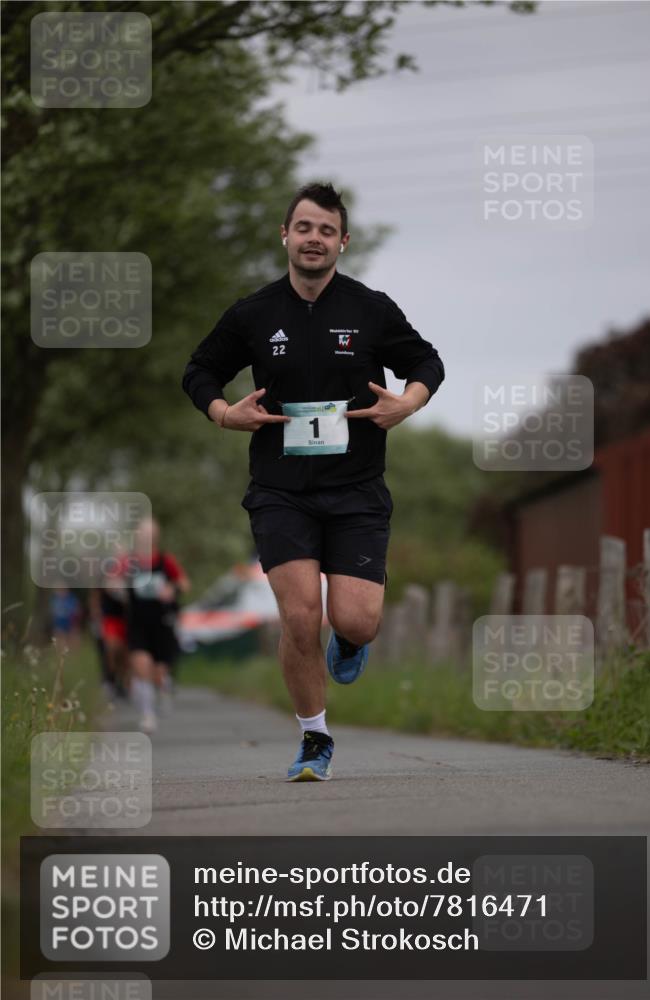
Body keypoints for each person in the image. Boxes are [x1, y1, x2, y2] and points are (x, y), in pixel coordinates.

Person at [182, 182, 444, 780]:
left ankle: (351, 642)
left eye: (327, 230)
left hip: (356, 489)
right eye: (304, 228)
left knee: (355, 620)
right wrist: (224, 414)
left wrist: (408, 402)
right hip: (279, 490)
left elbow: (427, 360)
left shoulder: (370, 308)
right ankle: (315, 738)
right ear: (285, 235)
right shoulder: (253, 314)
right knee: (300, 617)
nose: (314, 239)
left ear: (342, 242)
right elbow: (199, 370)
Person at [112, 518, 191, 733]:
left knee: (158, 671)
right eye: (142, 534)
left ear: (156, 537)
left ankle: (163, 689)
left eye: (150, 534)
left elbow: (184, 583)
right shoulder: (128, 561)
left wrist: (171, 589)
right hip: (137, 622)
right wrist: (117, 587)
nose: (146, 538)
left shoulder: (166, 561)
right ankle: (147, 714)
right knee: (141, 664)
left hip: (162, 622)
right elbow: (111, 580)